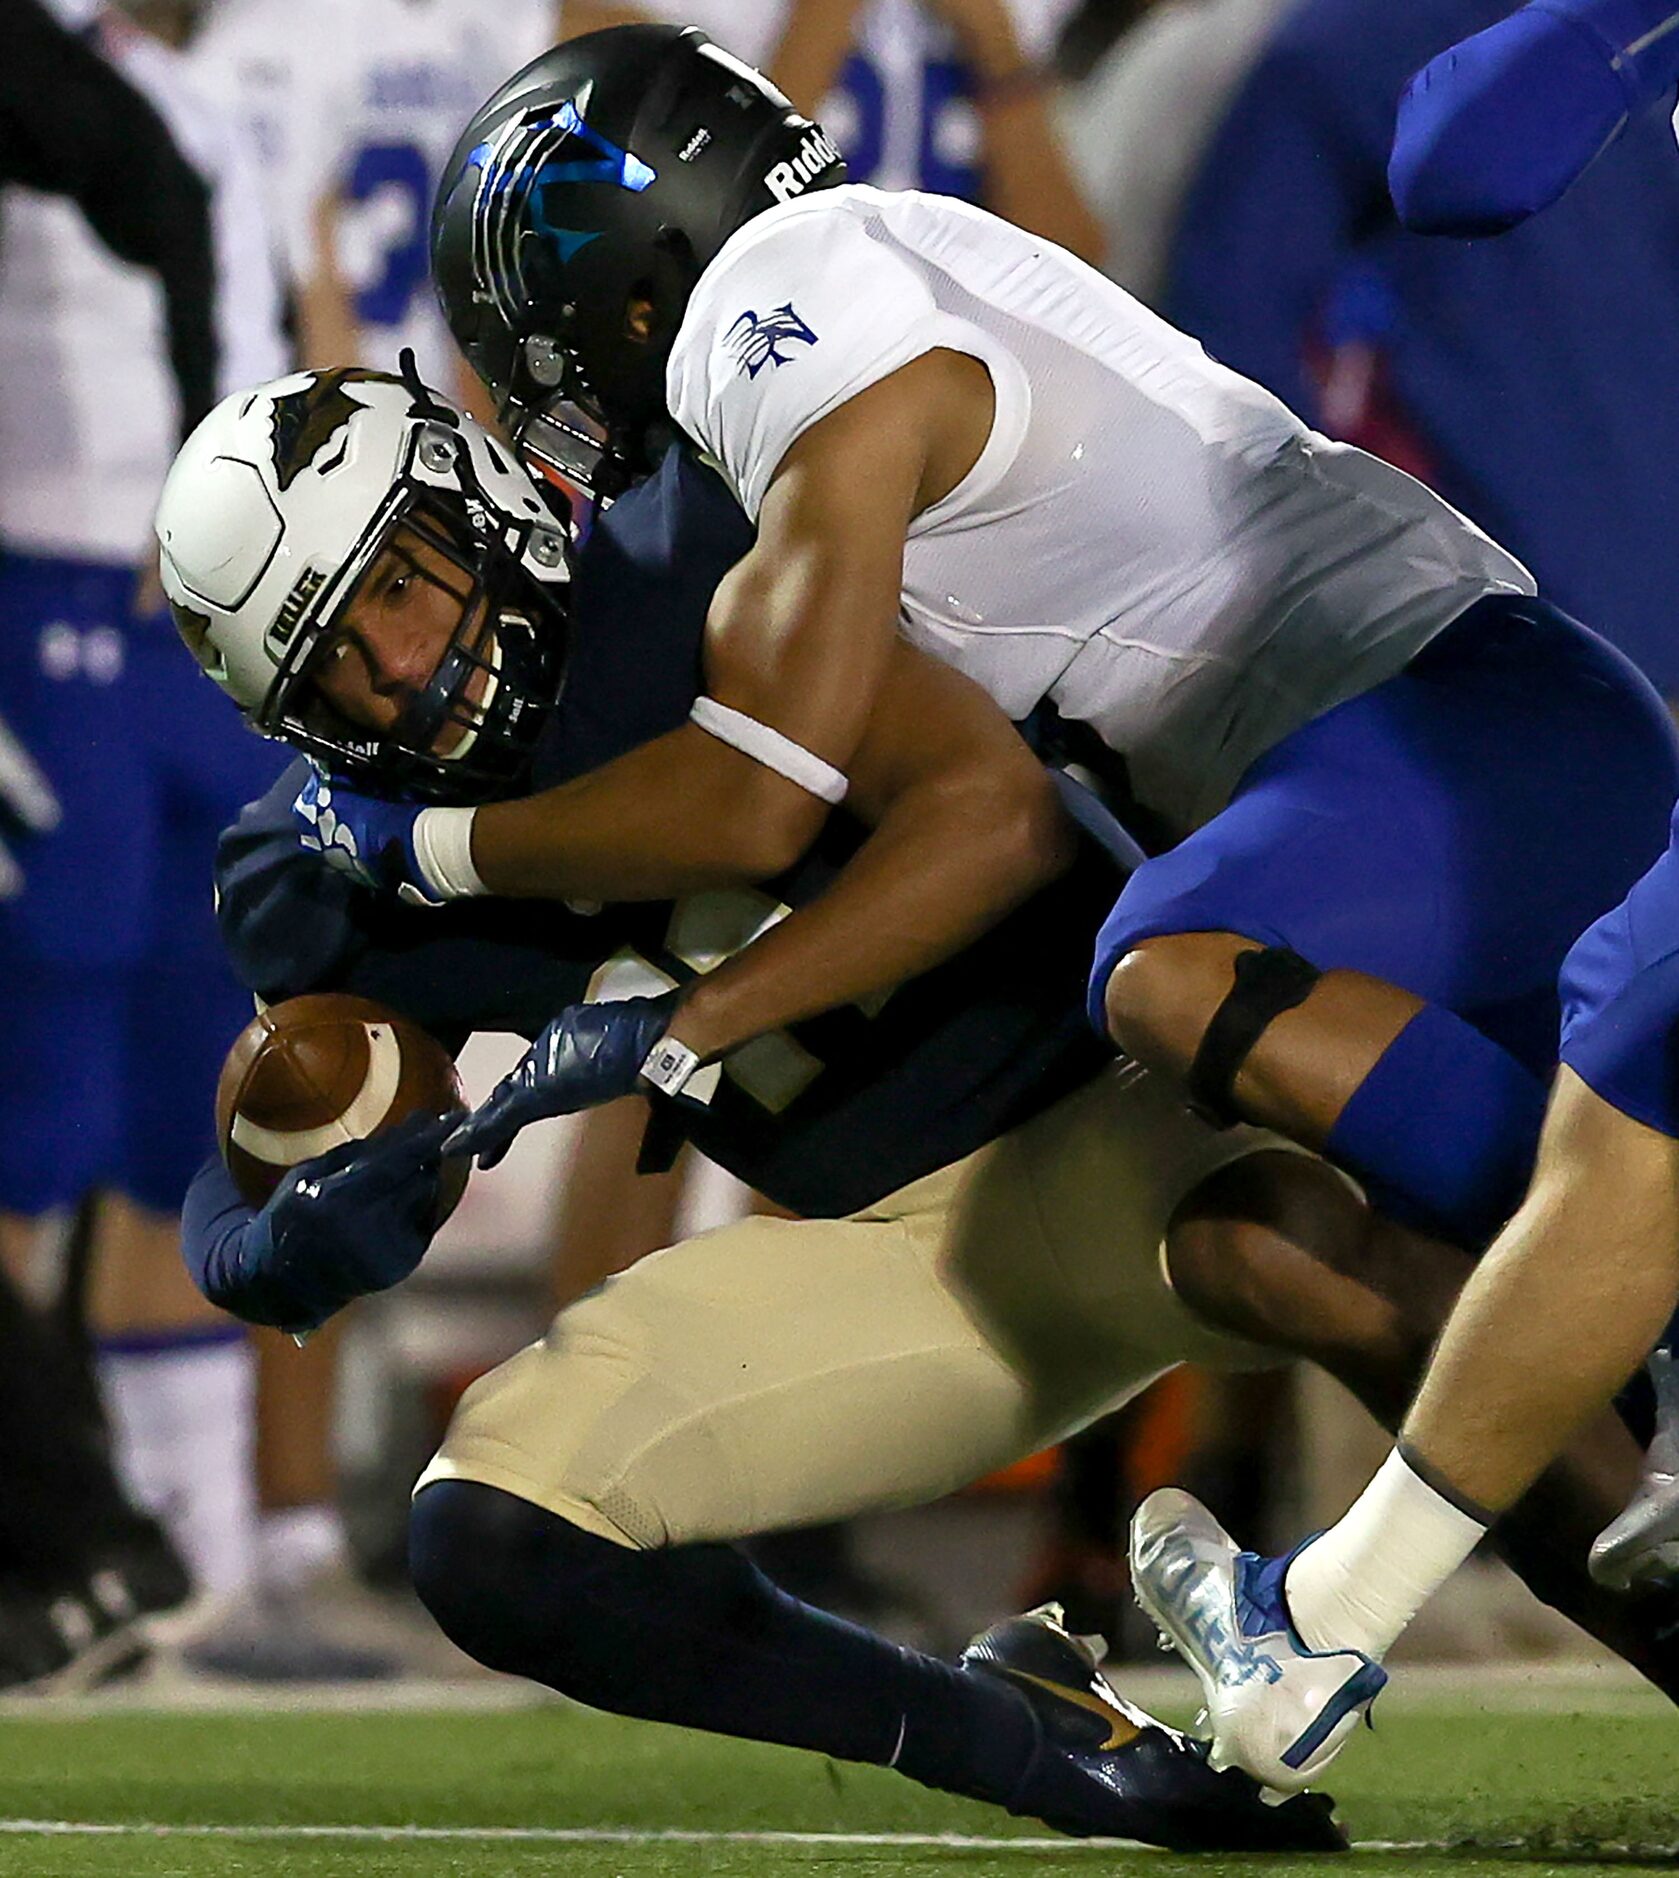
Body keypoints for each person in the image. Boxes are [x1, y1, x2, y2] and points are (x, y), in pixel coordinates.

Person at [157, 367, 1679, 1839]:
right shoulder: (322, 853)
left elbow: (994, 822)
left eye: (399, 590)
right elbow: (230, 1191)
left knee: (1291, 1241)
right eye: (335, 667)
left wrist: (683, 1027)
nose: (403, 670)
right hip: (907, 1256)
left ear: (471, 497)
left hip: (1127, 1085)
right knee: (493, 1529)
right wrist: (288, 1242)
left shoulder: (697, 551)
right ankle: (1035, 1740)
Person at [317, 21, 1676, 1288]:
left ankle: (1623, 1271)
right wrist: (691, 1022)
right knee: (1310, 1261)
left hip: (1460, 736)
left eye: (542, 344)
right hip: (1464, 745)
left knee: (1175, 972)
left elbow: (752, 800)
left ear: (627, 291)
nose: (552, 399)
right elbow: (974, 816)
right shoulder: (870, 261)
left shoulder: (770, 321)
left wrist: (427, 848)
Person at [1123, 0, 1679, 1798]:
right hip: (1558, 691)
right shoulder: (1355, 65)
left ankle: (1328, 1621)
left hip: (1546, 702)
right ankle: (1335, 1616)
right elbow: (1453, 158)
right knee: (1628, 1074)